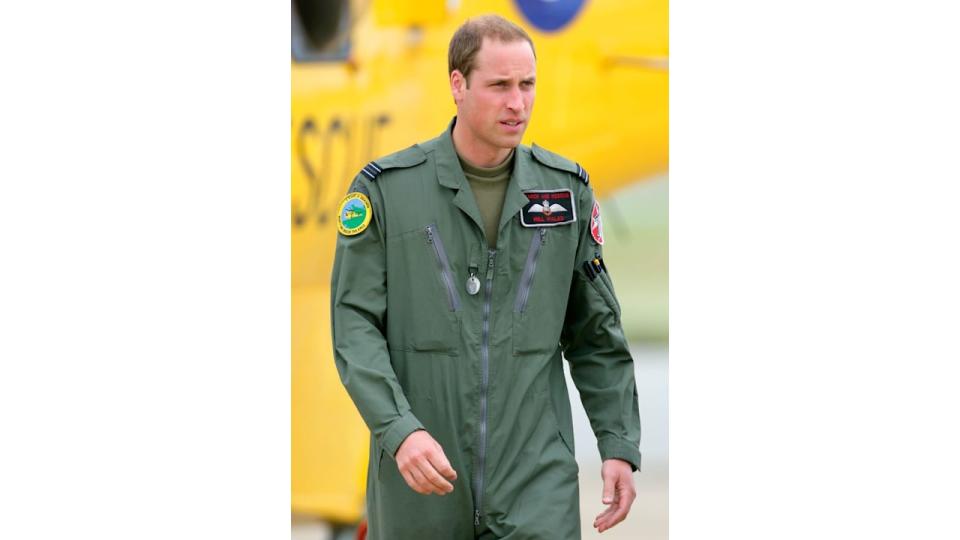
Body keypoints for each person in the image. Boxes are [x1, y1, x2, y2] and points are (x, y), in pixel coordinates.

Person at [331, 14, 641, 539]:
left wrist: (618, 445)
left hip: (535, 481)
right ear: (458, 84)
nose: (517, 103)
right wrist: (400, 432)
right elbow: (354, 327)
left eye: (527, 85)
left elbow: (596, 335)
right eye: (499, 85)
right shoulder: (386, 191)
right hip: (421, 478)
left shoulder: (564, 195)